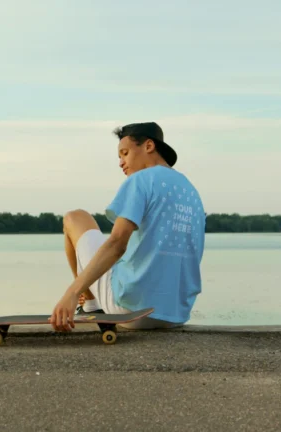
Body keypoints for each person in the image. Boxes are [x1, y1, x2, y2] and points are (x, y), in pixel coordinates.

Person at [49, 122, 206, 332]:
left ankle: (90, 305)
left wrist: (71, 293)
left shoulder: (141, 180)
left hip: (131, 310)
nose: (121, 162)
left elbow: (116, 244)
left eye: (125, 153)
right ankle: (93, 303)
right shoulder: (191, 190)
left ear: (149, 146)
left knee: (75, 218)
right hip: (176, 314)